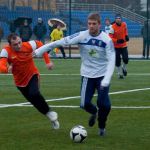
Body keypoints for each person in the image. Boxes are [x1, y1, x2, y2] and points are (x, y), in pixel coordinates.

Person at [34, 13, 115, 136]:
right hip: (87, 75)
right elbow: (59, 42)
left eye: (94, 24)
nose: (91, 26)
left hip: (102, 76)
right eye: (89, 24)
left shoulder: (107, 40)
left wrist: (106, 79)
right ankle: (95, 112)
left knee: (104, 105)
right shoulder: (82, 36)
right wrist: (39, 50)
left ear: (99, 24)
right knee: (84, 104)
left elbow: (112, 60)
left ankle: (102, 126)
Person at [0, 33, 59, 130]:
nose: (19, 45)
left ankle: (50, 112)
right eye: (15, 44)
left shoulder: (28, 45)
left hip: (33, 75)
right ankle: (49, 114)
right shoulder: (5, 51)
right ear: (10, 45)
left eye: (20, 42)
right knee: (33, 101)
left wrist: (47, 61)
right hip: (19, 83)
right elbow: (1, 66)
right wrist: (7, 69)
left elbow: (40, 44)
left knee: (34, 93)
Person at [109, 14, 129, 79]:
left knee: (126, 59)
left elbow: (125, 31)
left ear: (121, 19)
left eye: (119, 18)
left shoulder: (124, 24)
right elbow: (110, 37)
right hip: (116, 47)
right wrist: (117, 40)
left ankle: (124, 68)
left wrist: (126, 36)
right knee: (117, 61)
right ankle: (120, 74)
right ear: (115, 20)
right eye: (117, 18)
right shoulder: (112, 27)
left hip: (123, 45)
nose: (118, 19)